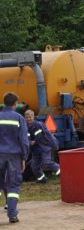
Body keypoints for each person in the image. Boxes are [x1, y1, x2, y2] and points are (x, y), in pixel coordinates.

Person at [0, 92, 29, 223]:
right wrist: (24, 157)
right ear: (15, 104)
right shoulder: (18, 118)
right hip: (14, 156)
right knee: (13, 185)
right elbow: (23, 141)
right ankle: (12, 214)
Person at [25, 110, 60, 184]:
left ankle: (61, 171)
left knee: (46, 162)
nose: (28, 119)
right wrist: (30, 142)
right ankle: (42, 179)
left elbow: (48, 135)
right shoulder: (25, 128)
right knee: (34, 166)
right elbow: (24, 139)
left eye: (30, 117)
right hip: (35, 150)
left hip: (44, 148)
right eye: (27, 117)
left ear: (33, 117)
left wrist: (55, 145)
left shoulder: (39, 125)